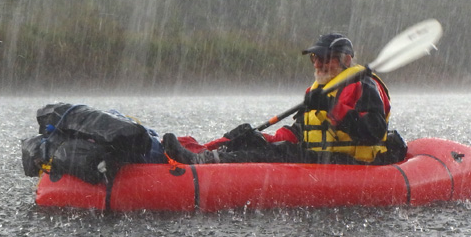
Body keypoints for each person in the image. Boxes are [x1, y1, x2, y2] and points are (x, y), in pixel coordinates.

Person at [162, 33, 406, 165]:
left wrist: (333, 108)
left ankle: (205, 164)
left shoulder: (365, 85)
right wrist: (265, 139)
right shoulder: (319, 90)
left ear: (347, 60)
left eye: (325, 58)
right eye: (315, 59)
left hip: (349, 163)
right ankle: (199, 152)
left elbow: (374, 131)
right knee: (249, 136)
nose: (318, 64)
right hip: (320, 155)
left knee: (279, 154)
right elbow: (300, 131)